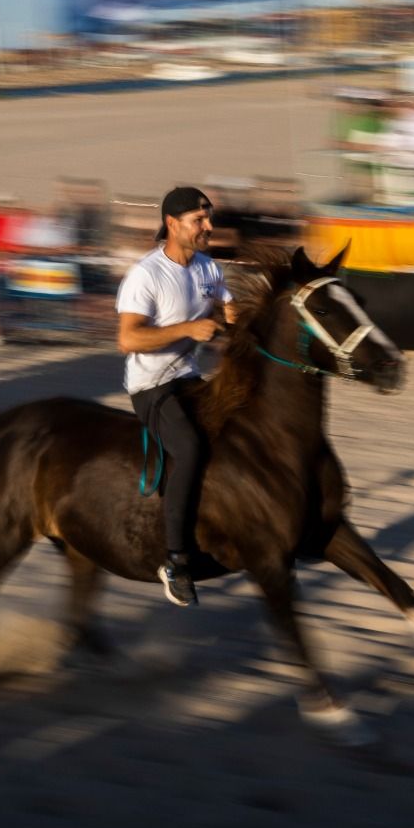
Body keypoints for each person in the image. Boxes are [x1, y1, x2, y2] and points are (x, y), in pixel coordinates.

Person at [115, 186, 236, 607]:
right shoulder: (146, 275)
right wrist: (187, 329)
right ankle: (176, 560)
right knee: (189, 447)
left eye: (209, 217)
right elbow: (128, 339)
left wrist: (235, 318)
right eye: (200, 219)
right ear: (172, 223)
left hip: (190, 376)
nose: (209, 226)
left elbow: (227, 311)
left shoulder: (208, 268)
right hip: (151, 386)